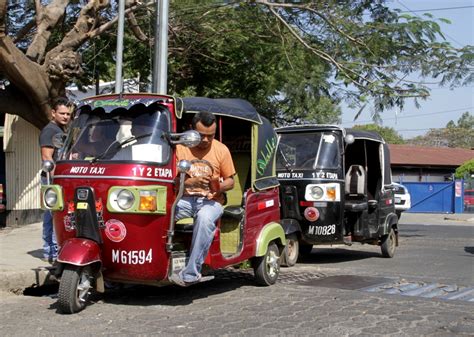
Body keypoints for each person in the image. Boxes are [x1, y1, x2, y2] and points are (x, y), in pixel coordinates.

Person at [170, 111, 236, 286]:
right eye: (201, 135)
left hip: (211, 201)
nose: (206, 140)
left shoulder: (221, 149)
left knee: (205, 218)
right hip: (183, 199)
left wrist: (218, 187)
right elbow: (171, 179)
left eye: (211, 136)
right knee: (162, 212)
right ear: (192, 130)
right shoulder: (180, 148)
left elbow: (231, 182)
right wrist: (189, 181)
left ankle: (191, 273)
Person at [39, 97, 72, 263]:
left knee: (59, 214)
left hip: (62, 179)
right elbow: (47, 157)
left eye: (68, 114)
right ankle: (50, 252)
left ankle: (57, 249)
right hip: (52, 179)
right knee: (52, 215)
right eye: (62, 113)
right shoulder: (50, 130)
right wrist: (55, 181)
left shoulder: (63, 130)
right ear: (53, 113)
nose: (65, 116)